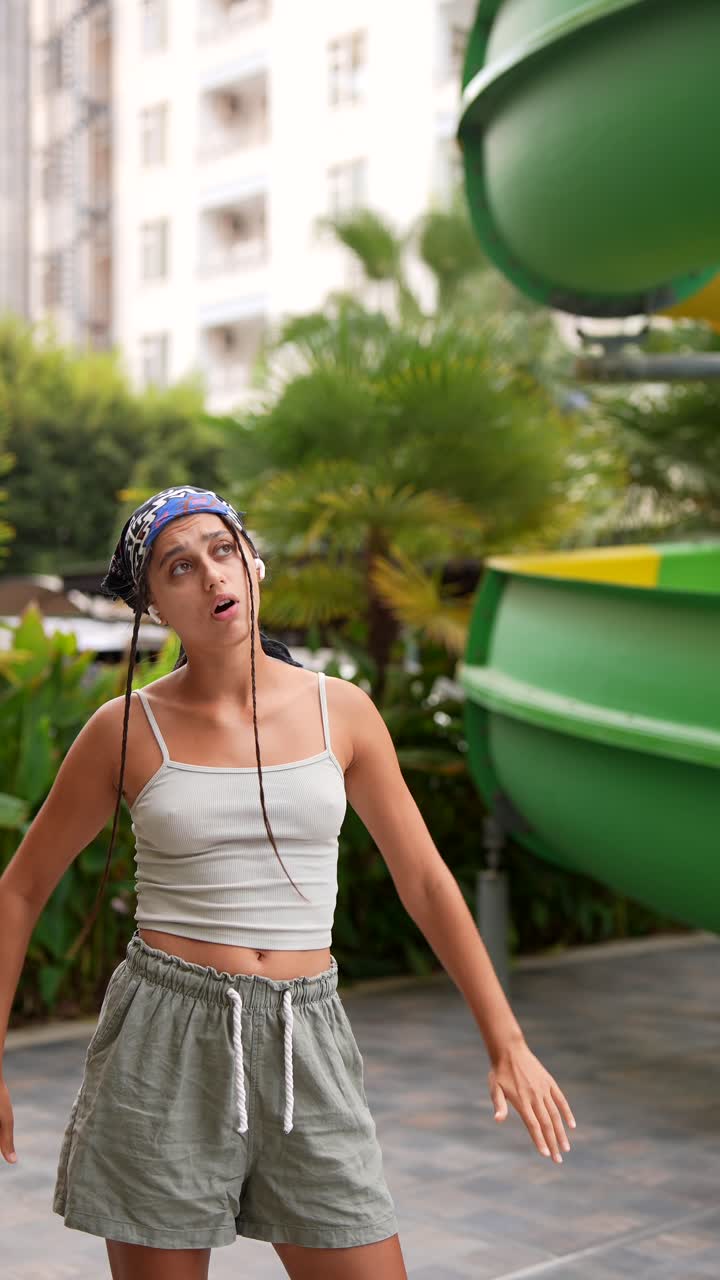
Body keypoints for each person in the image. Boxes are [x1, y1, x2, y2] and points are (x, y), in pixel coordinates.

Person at [0, 485, 577, 1280]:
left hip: (308, 1035)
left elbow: (425, 880)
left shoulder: (343, 712)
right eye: (178, 566)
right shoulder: (126, 730)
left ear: (254, 566)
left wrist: (505, 1039)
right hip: (164, 1037)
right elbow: (20, 889)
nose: (208, 575)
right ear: (155, 607)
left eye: (221, 551)